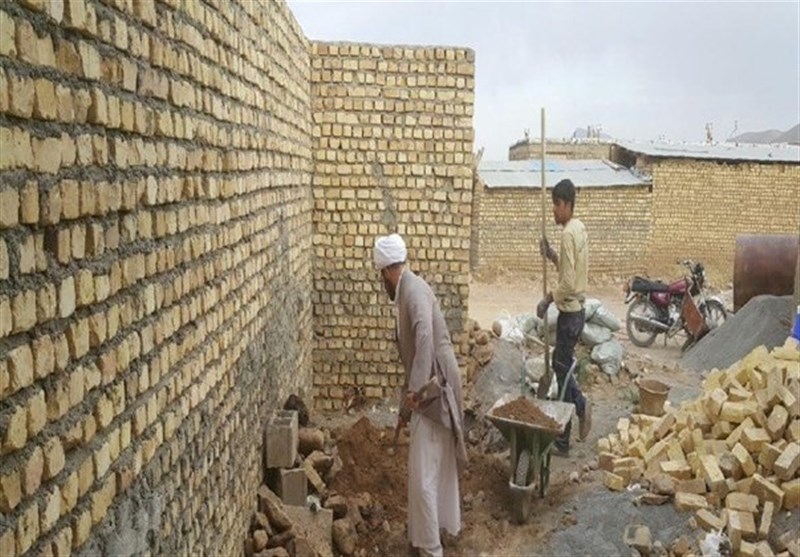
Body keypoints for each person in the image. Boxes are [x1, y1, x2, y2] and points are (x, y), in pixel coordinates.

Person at [374, 233, 467, 557]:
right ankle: (429, 533)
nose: (381, 282)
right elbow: (414, 355)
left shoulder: (412, 291)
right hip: (433, 383)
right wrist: (404, 406)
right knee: (434, 464)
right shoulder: (407, 290)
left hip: (435, 386)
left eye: (380, 275)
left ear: (386, 271)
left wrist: (415, 392)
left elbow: (425, 339)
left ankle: (429, 547)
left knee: (424, 471)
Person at [537, 179, 592, 455]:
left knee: (562, 368)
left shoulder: (569, 233)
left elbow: (568, 283)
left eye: (557, 206)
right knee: (563, 367)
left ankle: (580, 407)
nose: (555, 212)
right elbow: (569, 270)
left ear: (568, 204)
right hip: (576, 311)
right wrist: (552, 256)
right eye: (553, 206)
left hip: (569, 314)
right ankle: (563, 439)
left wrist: (547, 299)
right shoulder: (578, 228)